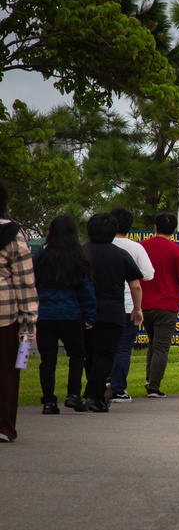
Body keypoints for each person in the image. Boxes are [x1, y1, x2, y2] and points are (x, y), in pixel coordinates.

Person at [33, 215, 97, 414]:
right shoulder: (78, 256)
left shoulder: (41, 255)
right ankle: (73, 395)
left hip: (45, 315)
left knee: (48, 359)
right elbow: (86, 289)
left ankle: (49, 402)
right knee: (77, 354)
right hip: (70, 313)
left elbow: (31, 282)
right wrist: (90, 315)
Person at [82, 213, 144, 412]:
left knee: (89, 354)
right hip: (112, 312)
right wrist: (137, 309)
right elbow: (135, 286)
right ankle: (94, 395)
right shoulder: (121, 255)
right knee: (105, 355)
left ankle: (92, 391)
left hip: (84, 311)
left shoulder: (81, 253)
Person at [139, 212, 179, 398]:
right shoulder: (175, 250)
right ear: (174, 230)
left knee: (153, 343)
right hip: (166, 305)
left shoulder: (142, 247)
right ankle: (154, 386)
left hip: (144, 305)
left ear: (154, 227)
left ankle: (150, 378)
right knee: (161, 346)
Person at [0, 180, 38, 442]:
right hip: (4, 314)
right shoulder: (13, 233)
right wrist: (28, 323)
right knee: (6, 370)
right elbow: (24, 281)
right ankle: (4, 426)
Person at [108, 207, 154, 403]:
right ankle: (118, 389)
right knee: (122, 349)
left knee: (102, 348)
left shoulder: (98, 246)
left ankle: (102, 382)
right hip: (127, 305)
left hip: (100, 305)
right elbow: (148, 274)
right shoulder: (135, 248)